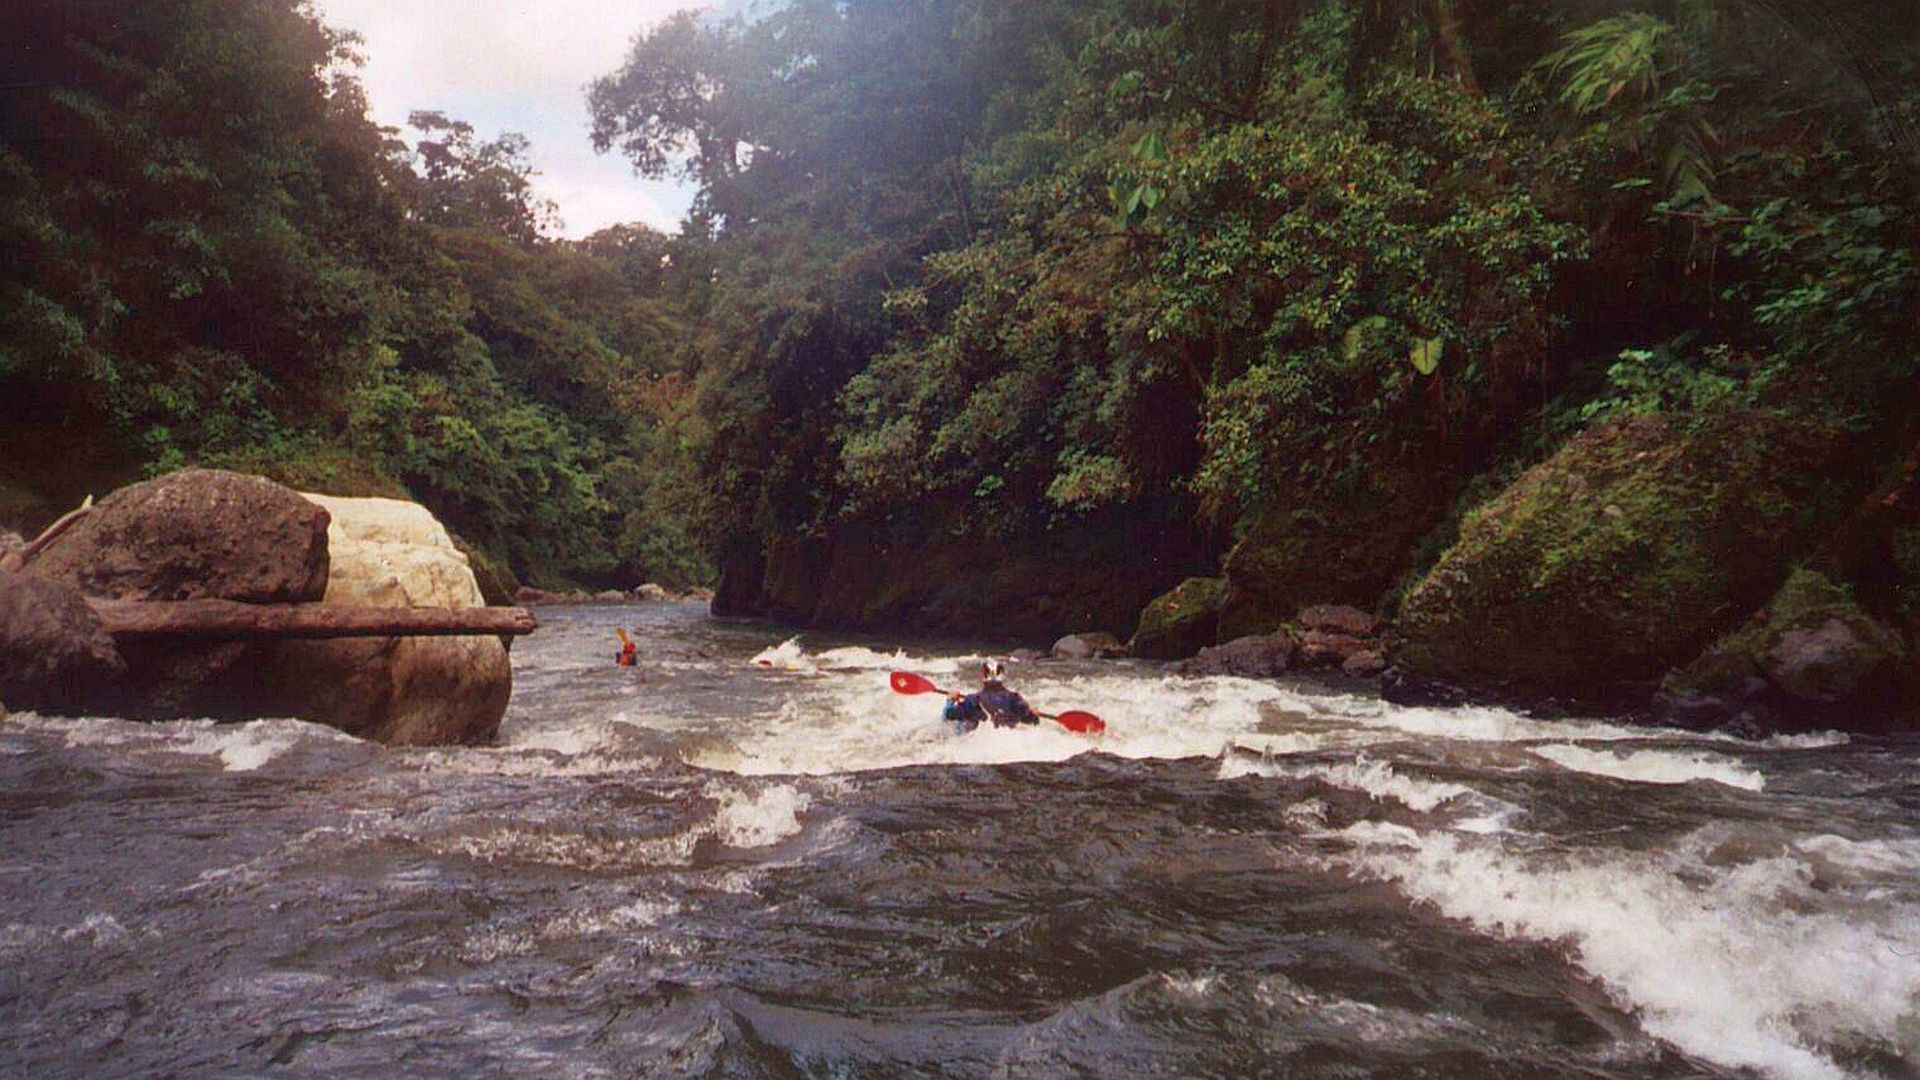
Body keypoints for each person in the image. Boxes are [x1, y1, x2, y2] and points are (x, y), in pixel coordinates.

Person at [944, 660, 1038, 733]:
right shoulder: (1014, 699)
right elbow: (1032, 721)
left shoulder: (972, 700)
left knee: (960, 724)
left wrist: (950, 700)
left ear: (983, 677)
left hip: (978, 742)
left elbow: (948, 715)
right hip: (1008, 740)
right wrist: (1034, 715)